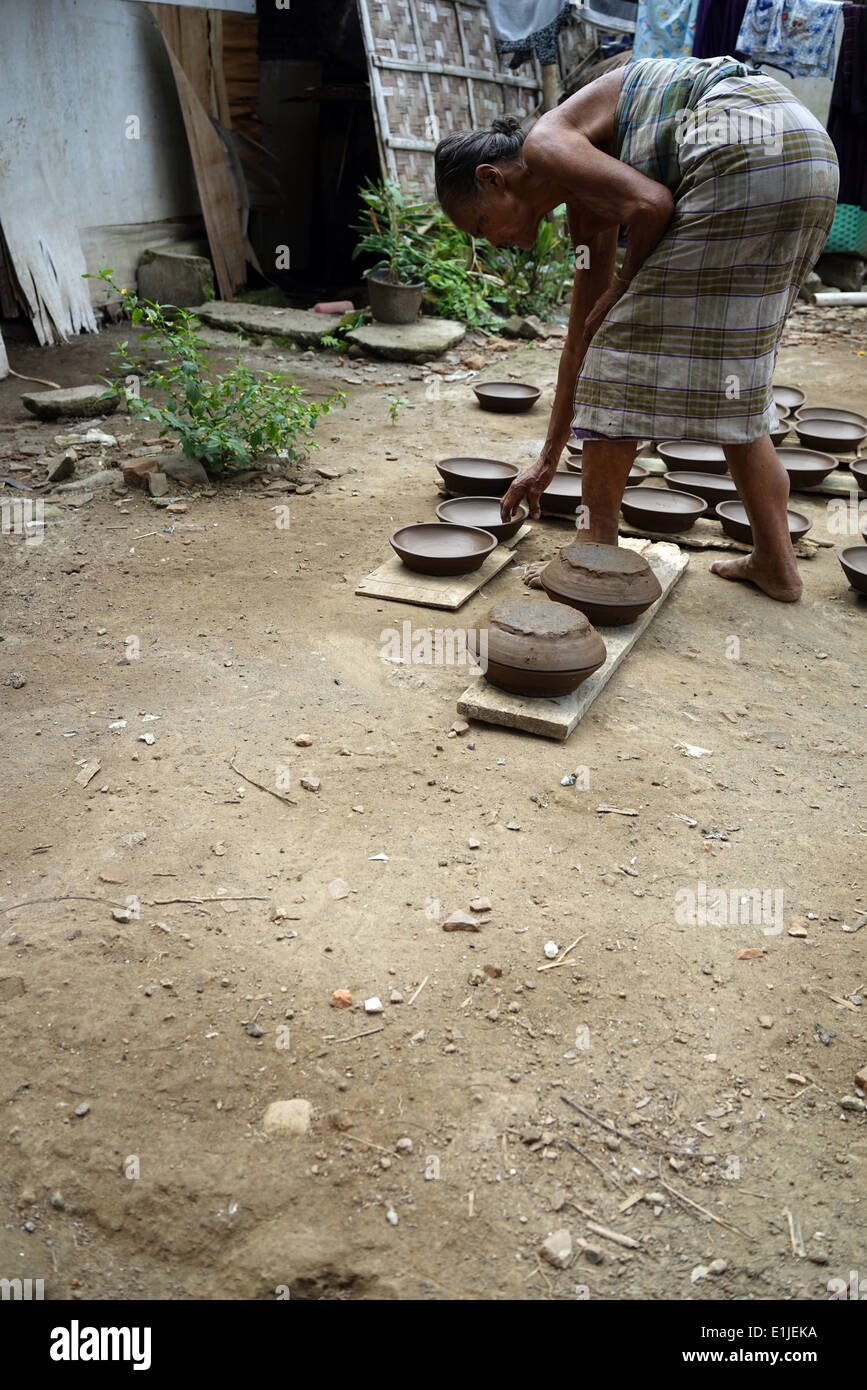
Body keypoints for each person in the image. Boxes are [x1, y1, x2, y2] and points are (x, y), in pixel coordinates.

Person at [434, 55, 839, 601]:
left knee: (619, 352)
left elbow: (652, 204)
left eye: (481, 225)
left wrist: (625, 285)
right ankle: (776, 561)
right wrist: (547, 457)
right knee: (733, 371)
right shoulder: (586, 200)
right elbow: (581, 334)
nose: (492, 243)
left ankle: (593, 552)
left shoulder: (545, 142)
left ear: (493, 179)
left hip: (744, 148)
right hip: (805, 154)